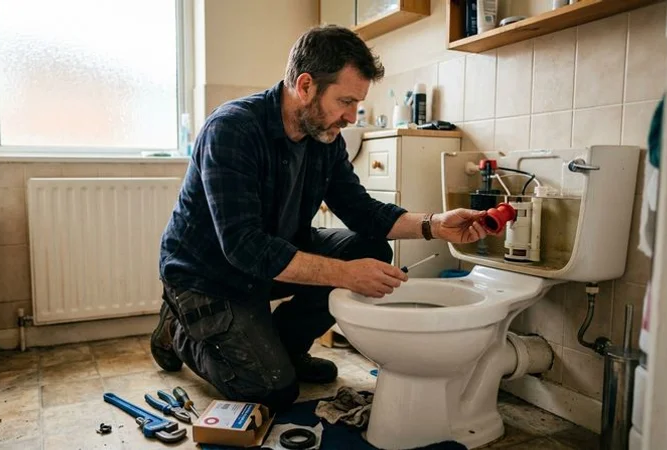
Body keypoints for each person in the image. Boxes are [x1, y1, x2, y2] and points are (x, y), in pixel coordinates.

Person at [151, 25, 496, 412]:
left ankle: (283, 348)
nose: (352, 116)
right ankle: (178, 330)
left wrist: (433, 224)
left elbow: (362, 211)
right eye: (345, 101)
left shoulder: (323, 137)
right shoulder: (232, 130)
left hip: (267, 260)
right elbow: (243, 246)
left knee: (370, 248)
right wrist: (344, 274)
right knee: (271, 390)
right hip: (207, 275)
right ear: (305, 85)